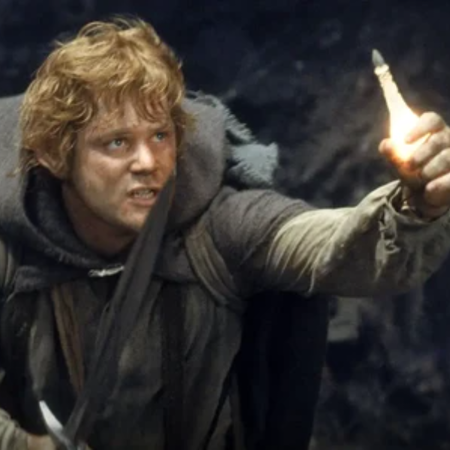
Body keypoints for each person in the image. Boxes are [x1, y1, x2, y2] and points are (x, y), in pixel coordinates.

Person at [0, 17, 450, 450]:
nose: (148, 163)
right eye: (116, 142)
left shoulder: (218, 226)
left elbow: (333, 246)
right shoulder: (10, 247)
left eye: (160, 136)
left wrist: (417, 206)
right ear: (56, 155)